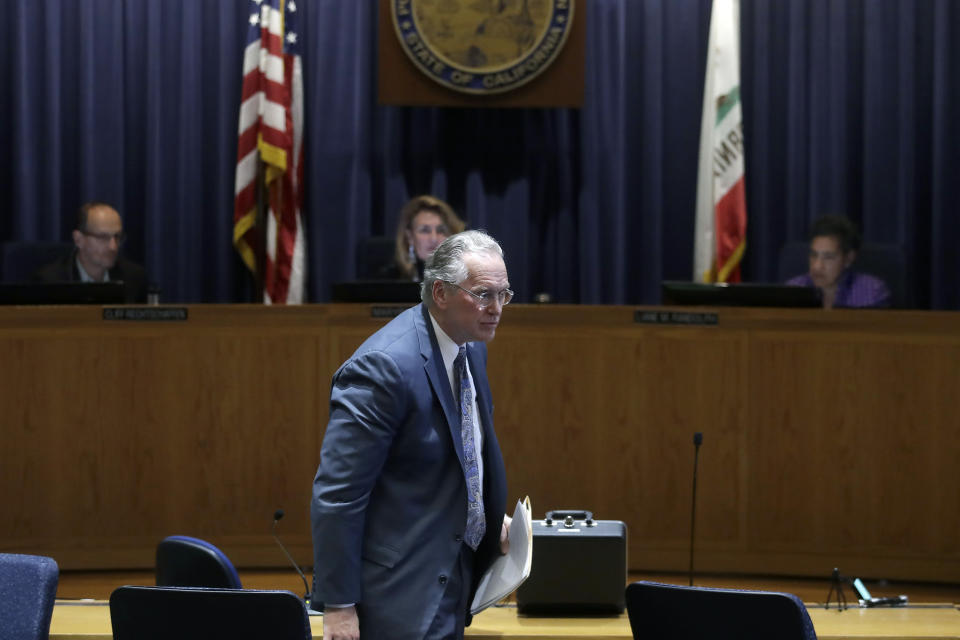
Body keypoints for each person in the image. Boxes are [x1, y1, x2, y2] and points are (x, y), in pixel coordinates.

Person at [311, 230, 514, 640]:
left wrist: (489, 515)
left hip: (455, 567)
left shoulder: (470, 347)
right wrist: (338, 605)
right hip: (400, 589)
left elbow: (461, 453)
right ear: (440, 292)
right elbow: (339, 494)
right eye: (482, 295)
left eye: (504, 294)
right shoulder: (382, 368)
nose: (496, 309)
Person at [32, 202, 148, 303]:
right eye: (103, 237)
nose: (113, 247)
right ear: (79, 239)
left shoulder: (134, 278)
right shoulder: (50, 282)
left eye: (117, 237)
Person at [786, 215, 891, 309]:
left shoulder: (871, 292)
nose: (817, 266)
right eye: (814, 255)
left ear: (848, 259)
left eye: (828, 257)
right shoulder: (794, 289)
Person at [381, 195, 466, 281]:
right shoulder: (388, 280)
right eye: (425, 230)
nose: (434, 239)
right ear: (410, 237)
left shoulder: (466, 280)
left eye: (441, 230)